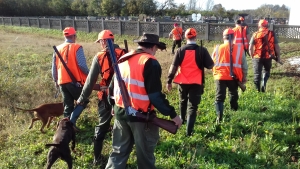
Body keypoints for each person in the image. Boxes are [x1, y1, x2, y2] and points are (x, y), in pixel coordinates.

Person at [105, 33, 182, 169]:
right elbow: (155, 96)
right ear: (153, 47)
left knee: (118, 153)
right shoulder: (150, 62)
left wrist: (113, 106)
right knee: (145, 156)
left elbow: (111, 88)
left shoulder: (123, 58)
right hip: (141, 118)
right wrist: (173, 115)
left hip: (120, 112)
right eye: (156, 49)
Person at [75, 30, 126, 165]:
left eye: (100, 42)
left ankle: (97, 159)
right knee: (122, 127)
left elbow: (90, 82)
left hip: (106, 97)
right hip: (124, 98)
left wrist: (82, 97)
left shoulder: (99, 56)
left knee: (102, 127)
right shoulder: (124, 54)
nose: (100, 45)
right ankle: (120, 159)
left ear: (103, 42)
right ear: (113, 40)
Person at [166, 28, 214, 136]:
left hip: (182, 82)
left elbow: (173, 67)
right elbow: (210, 65)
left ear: (185, 37)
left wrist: (169, 81)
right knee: (192, 106)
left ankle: (182, 121)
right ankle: (189, 131)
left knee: (182, 101)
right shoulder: (202, 50)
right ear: (196, 37)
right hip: (196, 83)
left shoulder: (180, 50)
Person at [51, 27, 89, 120]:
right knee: (83, 101)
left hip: (61, 82)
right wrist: (90, 75)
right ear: (74, 36)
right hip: (74, 82)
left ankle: (65, 127)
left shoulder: (57, 49)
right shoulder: (77, 47)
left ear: (65, 37)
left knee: (68, 106)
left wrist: (55, 80)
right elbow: (82, 65)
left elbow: (54, 68)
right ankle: (71, 123)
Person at [211, 28, 248, 124]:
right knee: (233, 93)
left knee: (219, 97)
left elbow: (211, 63)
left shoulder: (217, 48)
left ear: (224, 37)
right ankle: (234, 110)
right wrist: (244, 77)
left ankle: (219, 117)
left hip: (220, 76)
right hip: (234, 77)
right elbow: (244, 65)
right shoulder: (240, 49)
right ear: (234, 37)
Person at [249, 19, 281, 92]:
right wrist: (278, 57)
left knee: (257, 74)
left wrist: (252, 56)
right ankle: (264, 82)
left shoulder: (255, 34)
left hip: (257, 57)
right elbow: (276, 46)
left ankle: (257, 91)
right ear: (267, 25)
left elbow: (250, 47)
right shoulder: (272, 33)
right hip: (268, 57)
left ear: (259, 25)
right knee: (266, 70)